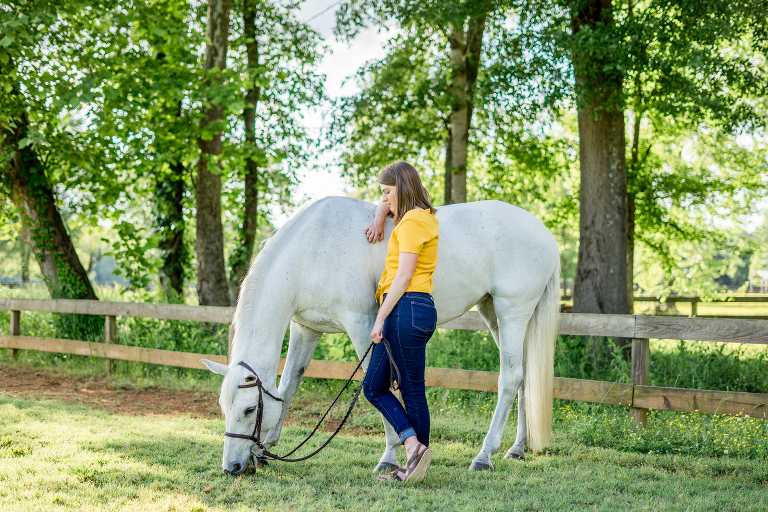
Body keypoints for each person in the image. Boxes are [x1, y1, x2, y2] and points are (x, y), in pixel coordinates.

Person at [362, 161, 439, 483]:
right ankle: (413, 445)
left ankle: (414, 461)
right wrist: (382, 213)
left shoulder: (411, 224)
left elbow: (404, 275)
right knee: (374, 387)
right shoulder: (422, 217)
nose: (385, 199)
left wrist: (380, 317)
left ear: (402, 189)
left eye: (387, 193)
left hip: (404, 309)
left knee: (411, 390)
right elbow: (388, 204)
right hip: (411, 309)